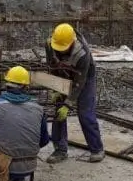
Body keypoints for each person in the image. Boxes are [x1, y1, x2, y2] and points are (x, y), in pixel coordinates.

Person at [44, 23, 105, 163]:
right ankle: (60, 150)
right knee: (59, 112)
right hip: (62, 74)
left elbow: (79, 83)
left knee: (85, 113)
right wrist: (55, 89)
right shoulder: (49, 44)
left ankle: (97, 149)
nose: (60, 51)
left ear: (72, 43)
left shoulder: (82, 53)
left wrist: (69, 103)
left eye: (63, 49)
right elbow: (51, 66)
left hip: (84, 77)